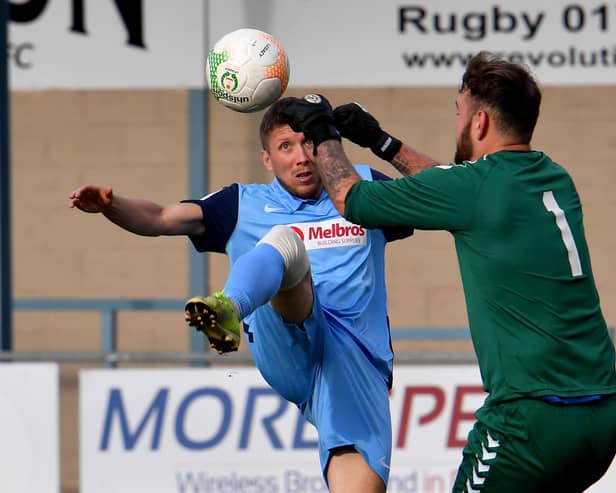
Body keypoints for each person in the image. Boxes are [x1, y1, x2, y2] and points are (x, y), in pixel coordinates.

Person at [280, 52, 616, 492]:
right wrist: (380, 141)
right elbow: (451, 185)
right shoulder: (552, 176)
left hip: (531, 419)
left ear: (479, 123)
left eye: (458, 114)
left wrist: (323, 133)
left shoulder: (475, 187)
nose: (456, 124)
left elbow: (351, 199)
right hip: (600, 415)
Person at [68, 97, 414, 493]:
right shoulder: (242, 203)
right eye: (286, 147)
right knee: (284, 242)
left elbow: (443, 200)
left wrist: (383, 141)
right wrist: (112, 206)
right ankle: (227, 308)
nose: (301, 157)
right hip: (283, 338)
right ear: (267, 159)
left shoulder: (361, 186)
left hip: (354, 360)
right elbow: (161, 217)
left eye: (307, 144)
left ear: (324, 146)